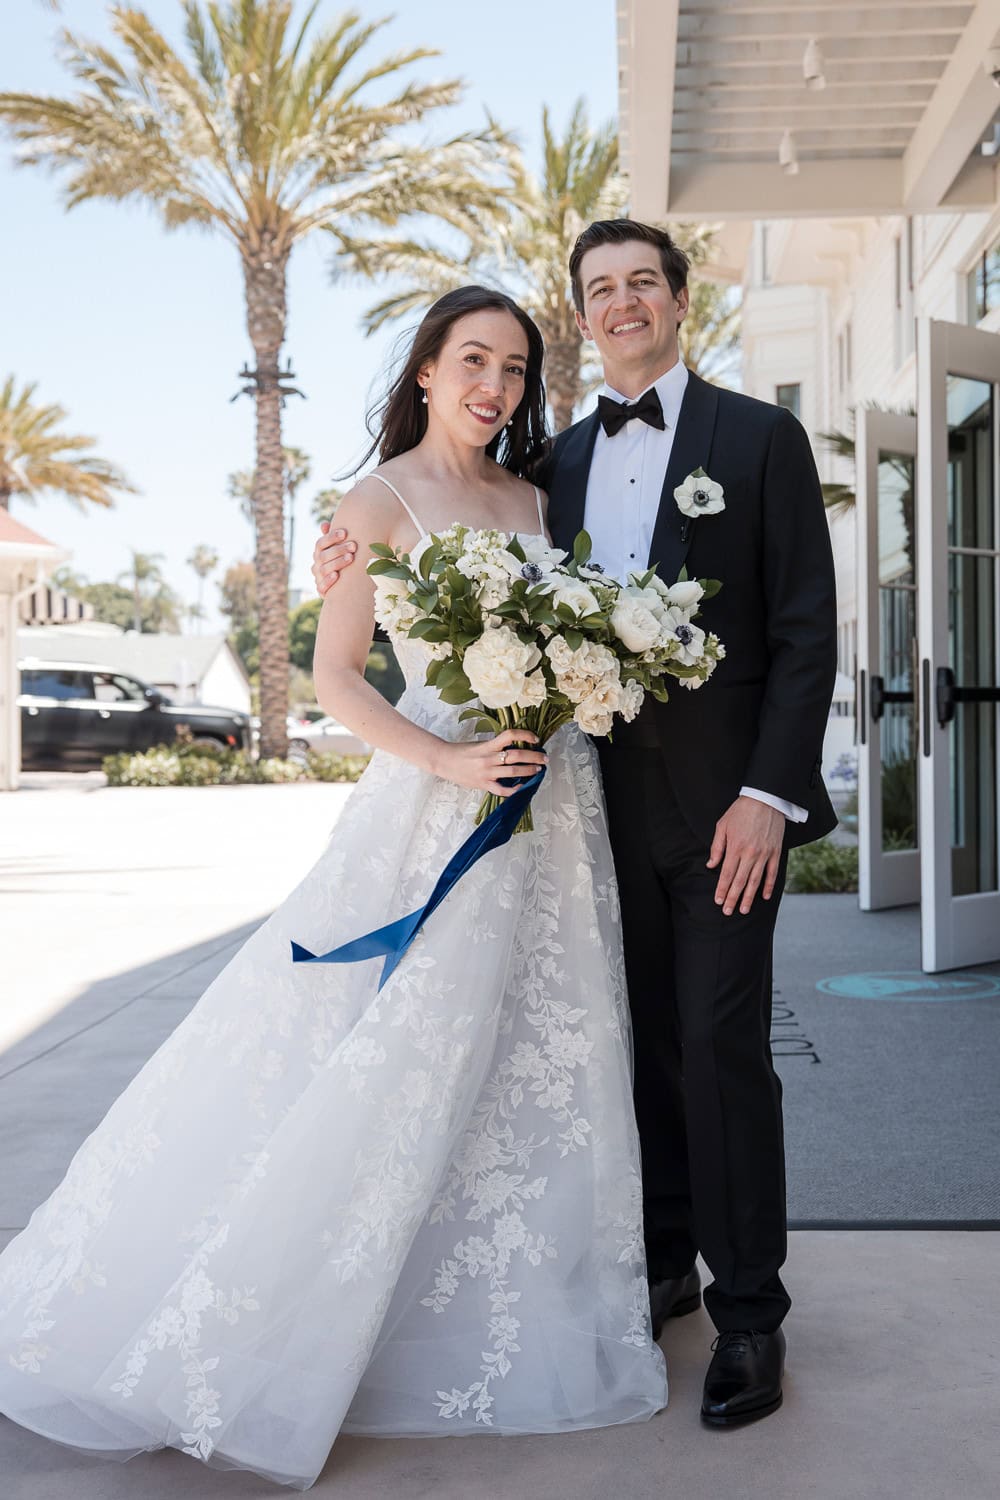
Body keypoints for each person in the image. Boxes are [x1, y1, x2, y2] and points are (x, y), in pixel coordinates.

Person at [0, 286, 667, 1492]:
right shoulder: (375, 503)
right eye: (474, 360)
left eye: (516, 368)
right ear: (424, 370)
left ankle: (512, 1307)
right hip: (436, 802)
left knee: (533, 1056)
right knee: (389, 1053)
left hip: (552, 807)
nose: (496, 386)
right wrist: (454, 758)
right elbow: (341, 682)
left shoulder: (535, 498)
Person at [311, 221, 839, 1429]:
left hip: (722, 822)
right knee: (628, 1043)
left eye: (640, 283)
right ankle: (660, 1266)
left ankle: (748, 1315)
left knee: (718, 1051)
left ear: (677, 298)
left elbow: (806, 631)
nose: (621, 304)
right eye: (598, 290)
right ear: (583, 315)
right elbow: (432, 556)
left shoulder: (760, 439)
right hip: (580, 813)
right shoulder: (544, 471)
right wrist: (337, 552)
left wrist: (768, 797)